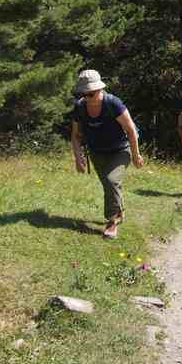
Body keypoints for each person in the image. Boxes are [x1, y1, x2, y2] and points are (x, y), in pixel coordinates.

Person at [70, 69, 143, 239]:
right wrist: (78, 158)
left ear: (100, 89)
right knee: (109, 185)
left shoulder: (113, 103)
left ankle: (111, 223)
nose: (87, 97)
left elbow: (130, 129)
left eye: (91, 94)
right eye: (84, 94)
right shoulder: (80, 107)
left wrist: (135, 154)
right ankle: (119, 213)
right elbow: (75, 136)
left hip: (120, 150)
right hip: (97, 152)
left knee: (111, 181)